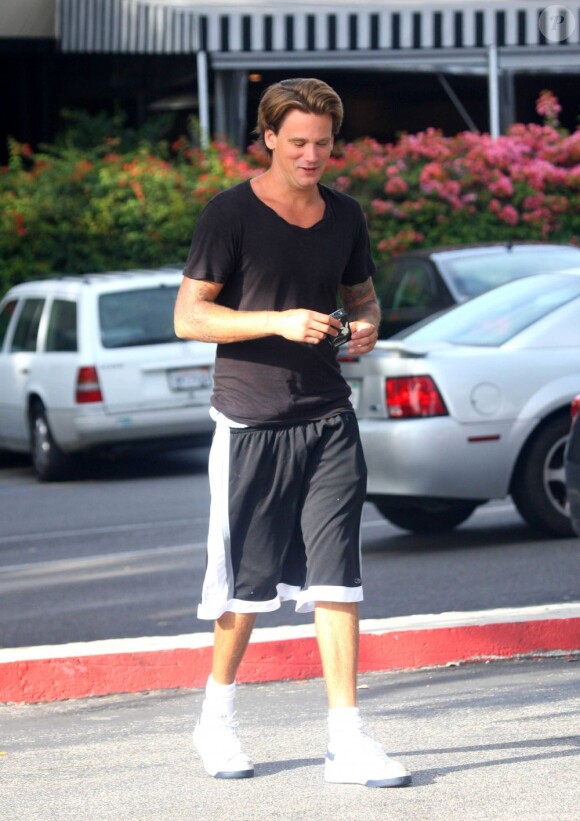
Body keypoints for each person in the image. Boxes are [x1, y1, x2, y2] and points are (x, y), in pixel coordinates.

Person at [174, 77, 411, 789]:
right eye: (298, 141)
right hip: (250, 422)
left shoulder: (346, 216)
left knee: (339, 575)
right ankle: (216, 717)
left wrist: (367, 326)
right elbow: (189, 318)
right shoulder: (229, 215)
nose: (311, 156)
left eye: (323, 144)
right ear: (269, 137)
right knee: (245, 587)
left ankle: (347, 737)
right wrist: (276, 321)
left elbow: (362, 295)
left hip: (329, 417)